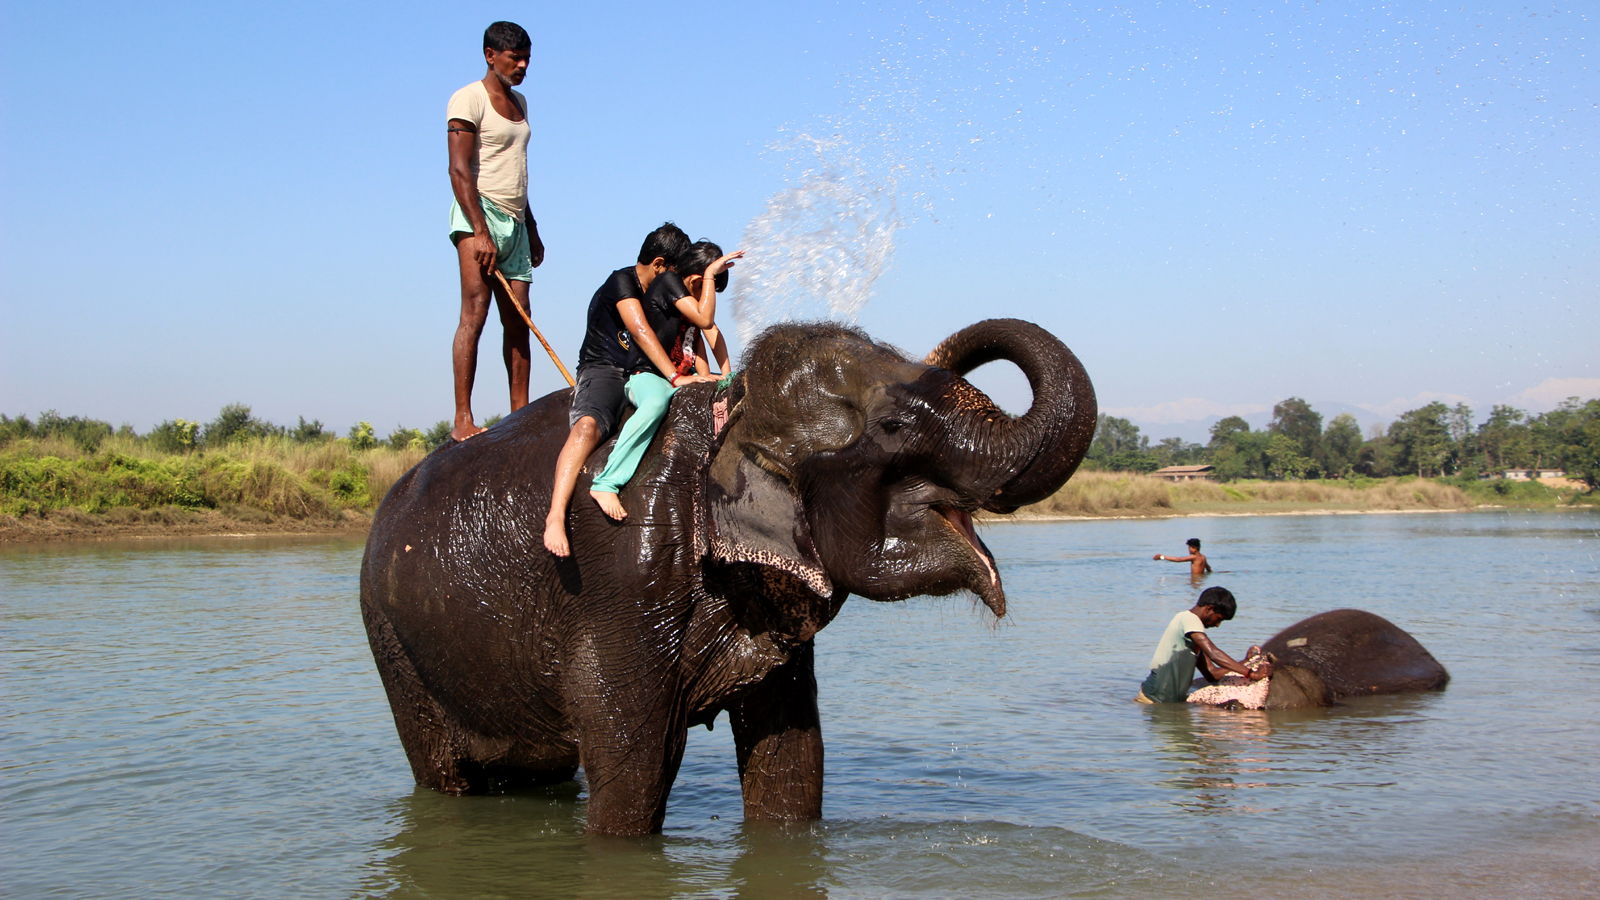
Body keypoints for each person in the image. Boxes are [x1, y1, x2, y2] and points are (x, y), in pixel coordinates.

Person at [542, 224, 720, 557]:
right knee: (587, 427)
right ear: (659, 264)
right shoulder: (622, 283)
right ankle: (555, 516)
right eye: (673, 271)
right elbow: (640, 333)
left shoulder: (663, 295)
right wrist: (673, 376)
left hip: (647, 369)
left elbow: (696, 335)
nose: (676, 280)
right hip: (607, 369)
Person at [589, 241, 741, 520]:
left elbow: (710, 332)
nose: (706, 297)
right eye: (705, 288)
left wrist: (727, 374)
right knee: (656, 403)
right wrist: (710, 276)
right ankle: (606, 482)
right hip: (648, 374)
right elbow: (706, 319)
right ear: (696, 279)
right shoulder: (668, 281)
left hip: (683, 374)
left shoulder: (688, 298)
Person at [447, 21, 547, 442]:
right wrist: (480, 230)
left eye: (527, 58)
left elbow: (517, 171)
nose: (522, 65)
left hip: (517, 220)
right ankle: (462, 419)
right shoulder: (468, 98)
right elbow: (458, 169)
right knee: (476, 311)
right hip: (478, 214)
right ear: (491, 55)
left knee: (520, 318)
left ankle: (519, 417)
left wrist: (533, 226)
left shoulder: (521, 101)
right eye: (514, 58)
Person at [1136, 586, 1271, 704]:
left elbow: (1212, 674)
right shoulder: (1188, 619)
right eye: (1219, 619)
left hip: (1168, 701)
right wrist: (1251, 674)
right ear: (1209, 609)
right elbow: (1213, 653)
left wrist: (1245, 662)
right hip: (1154, 700)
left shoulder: (1193, 637)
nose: (1217, 625)